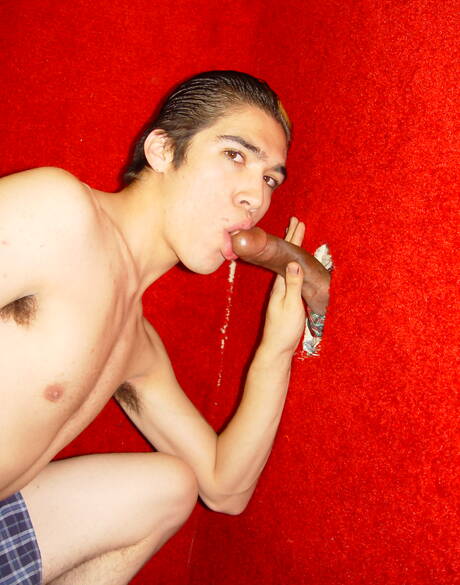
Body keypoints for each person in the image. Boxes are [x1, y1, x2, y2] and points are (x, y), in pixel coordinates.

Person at [0, 71, 327, 585]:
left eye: (270, 179)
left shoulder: (137, 344)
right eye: (235, 155)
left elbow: (225, 488)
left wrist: (276, 350)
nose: (256, 198)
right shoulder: (57, 212)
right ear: (162, 150)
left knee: (171, 486)